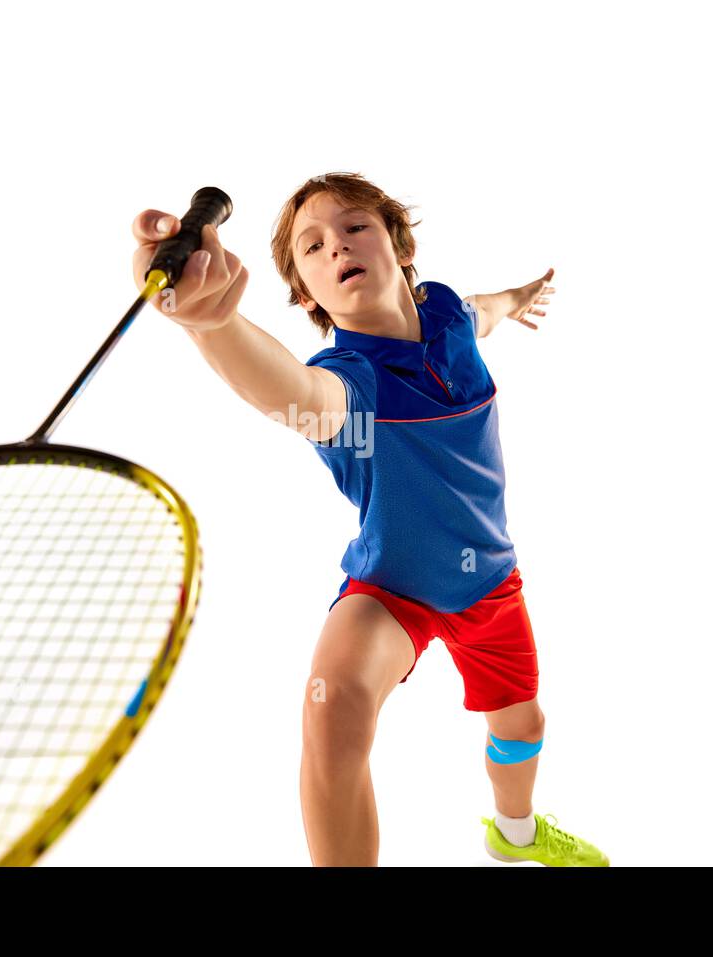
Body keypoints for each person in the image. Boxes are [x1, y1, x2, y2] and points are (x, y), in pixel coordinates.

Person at [131, 172, 607, 867]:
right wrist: (214, 324)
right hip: (393, 590)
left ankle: (515, 833)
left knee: (523, 724)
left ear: (400, 245)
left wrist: (518, 297)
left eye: (354, 227)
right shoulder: (350, 382)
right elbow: (293, 391)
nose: (336, 247)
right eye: (313, 247)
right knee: (333, 706)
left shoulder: (444, 314)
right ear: (305, 296)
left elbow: (482, 311)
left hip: (490, 586)